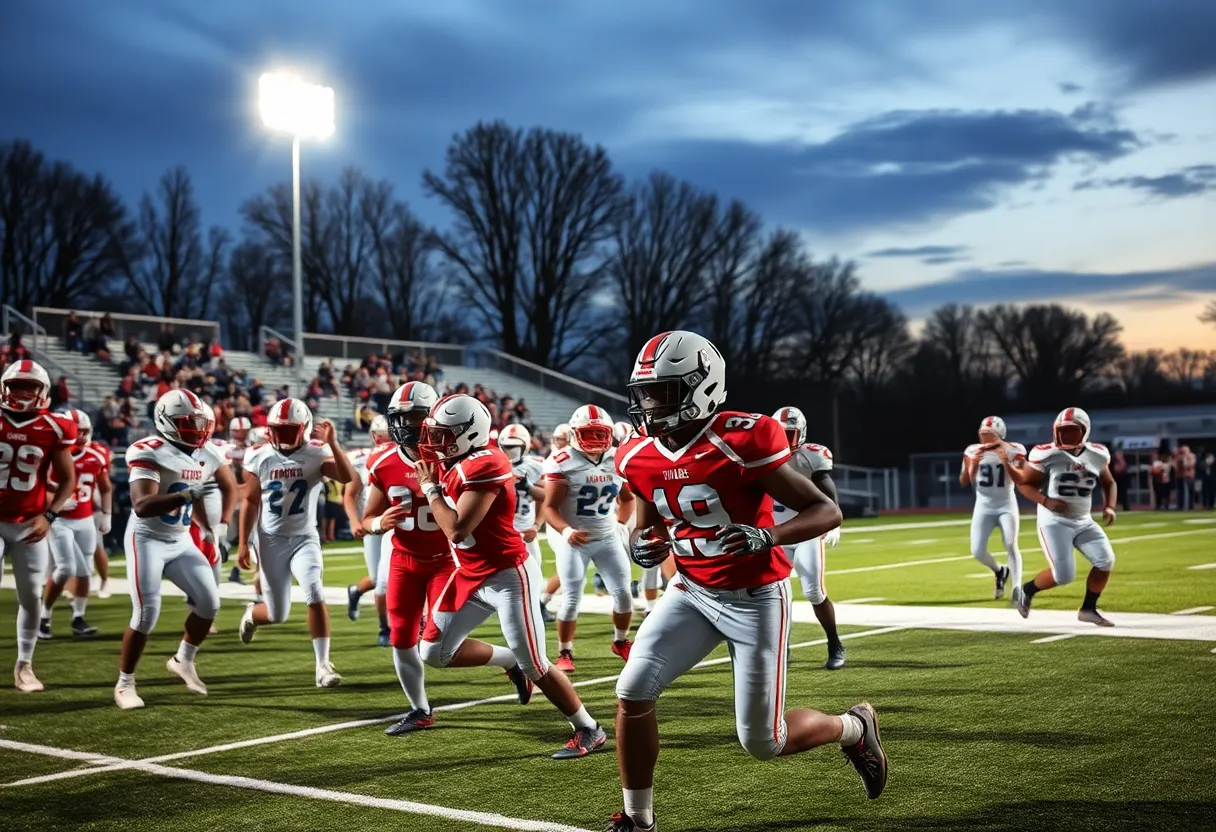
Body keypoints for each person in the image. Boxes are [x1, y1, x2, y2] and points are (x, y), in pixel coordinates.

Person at [608, 331, 884, 831]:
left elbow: (826, 511)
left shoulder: (741, 439)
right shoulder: (637, 455)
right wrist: (642, 543)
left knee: (764, 741)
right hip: (691, 590)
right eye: (644, 392)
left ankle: (853, 727)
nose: (648, 405)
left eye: (663, 392)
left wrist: (767, 535)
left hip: (755, 599)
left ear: (702, 386)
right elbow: (648, 526)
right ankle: (637, 818)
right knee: (632, 690)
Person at [413, 394, 607, 758]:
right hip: (469, 572)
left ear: (469, 433)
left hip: (507, 575)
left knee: (536, 662)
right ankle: (509, 661)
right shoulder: (457, 457)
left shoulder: (485, 463)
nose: (435, 443)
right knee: (434, 652)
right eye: (434, 434)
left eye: (443, 435)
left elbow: (456, 529)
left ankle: (588, 728)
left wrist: (429, 490)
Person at [360, 383, 532, 734]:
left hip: (447, 559)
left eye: (416, 416)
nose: (407, 424)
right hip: (403, 558)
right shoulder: (381, 461)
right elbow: (366, 519)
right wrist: (378, 523)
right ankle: (419, 709)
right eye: (401, 417)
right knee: (401, 636)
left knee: (433, 638)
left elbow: (478, 509)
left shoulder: (451, 457)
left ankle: (511, 660)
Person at [116, 389, 227, 709]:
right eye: (186, 423)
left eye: (199, 423)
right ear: (165, 421)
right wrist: (186, 497)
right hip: (147, 539)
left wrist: (208, 531)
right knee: (146, 613)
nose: (196, 430)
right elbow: (141, 505)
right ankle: (125, 682)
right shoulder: (149, 450)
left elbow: (201, 495)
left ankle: (183, 659)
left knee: (209, 603)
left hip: (180, 539)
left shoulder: (206, 454)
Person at [237, 399, 355, 687]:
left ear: (304, 430)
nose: (282, 437)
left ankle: (322, 666)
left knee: (315, 592)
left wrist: (334, 443)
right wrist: (243, 543)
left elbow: (347, 476)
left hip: (305, 537)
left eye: (289, 431)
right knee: (277, 614)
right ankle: (252, 614)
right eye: (278, 430)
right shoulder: (258, 456)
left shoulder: (316, 453)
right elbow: (251, 501)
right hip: (271, 540)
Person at [0, 361, 79, 692]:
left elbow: (67, 479)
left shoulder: (55, 427)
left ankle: (24, 665)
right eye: (16, 385)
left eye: (29, 387)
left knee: (32, 596)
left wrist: (49, 515)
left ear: (43, 392)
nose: (22, 392)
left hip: (28, 522)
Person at [999, 407, 1118, 626]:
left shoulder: (1098, 454)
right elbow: (1025, 485)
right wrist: (1046, 501)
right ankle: (1027, 590)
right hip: (1054, 521)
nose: (1066, 436)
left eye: (1072, 431)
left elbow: (1109, 482)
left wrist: (1109, 506)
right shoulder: (1048, 453)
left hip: (1083, 519)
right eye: (1062, 431)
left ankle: (1088, 609)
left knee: (1106, 560)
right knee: (1064, 576)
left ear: (1085, 431)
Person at [542, 405, 636, 671]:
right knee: (572, 598)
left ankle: (620, 641)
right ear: (574, 434)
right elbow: (549, 508)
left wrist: (619, 523)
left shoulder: (617, 459)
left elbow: (627, 499)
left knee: (624, 595)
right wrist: (567, 531)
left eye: (600, 433)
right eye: (588, 433)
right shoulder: (562, 462)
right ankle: (565, 652)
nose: (595, 440)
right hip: (576, 541)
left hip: (607, 537)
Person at [771, 406, 848, 669]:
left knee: (813, 591)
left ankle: (834, 642)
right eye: (781, 434)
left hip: (805, 531)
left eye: (790, 434)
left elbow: (828, 492)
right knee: (774, 593)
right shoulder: (760, 455)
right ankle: (782, 646)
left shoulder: (811, 457)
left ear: (801, 434)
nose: (785, 441)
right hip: (776, 532)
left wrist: (834, 521)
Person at [40, 410, 111, 638]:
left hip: (85, 519)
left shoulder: (96, 455)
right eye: (77, 430)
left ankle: (78, 618)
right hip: (59, 519)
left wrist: (107, 514)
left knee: (84, 570)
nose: (81, 435)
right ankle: (44, 617)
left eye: (85, 431)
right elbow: (38, 485)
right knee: (65, 568)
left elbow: (106, 487)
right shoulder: (53, 453)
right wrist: (56, 501)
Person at [958, 415, 1025, 603]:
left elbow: (1022, 478)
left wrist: (1007, 462)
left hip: (1006, 504)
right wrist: (971, 465)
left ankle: (1017, 588)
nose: (985, 438)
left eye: (989, 434)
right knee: (977, 551)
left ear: (1000, 434)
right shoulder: (972, 451)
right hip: (983, 506)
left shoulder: (1014, 449)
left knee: (1011, 544)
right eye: (983, 434)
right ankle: (1000, 571)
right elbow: (963, 481)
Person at [344, 415, 394, 646]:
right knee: (377, 579)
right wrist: (355, 521)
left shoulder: (403, 455)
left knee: (389, 580)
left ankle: (392, 627)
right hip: (373, 524)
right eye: (384, 435)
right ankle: (383, 625)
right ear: (374, 436)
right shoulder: (362, 459)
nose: (388, 440)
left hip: (397, 523)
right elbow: (350, 493)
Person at [497, 423, 546, 566]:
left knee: (533, 579)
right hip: (500, 534)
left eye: (516, 446)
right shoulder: (494, 464)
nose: (512, 451)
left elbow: (545, 497)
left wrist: (536, 526)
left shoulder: (536, 465)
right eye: (508, 446)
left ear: (526, 446)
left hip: (526, 533)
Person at [1176, 445, 1197, 510]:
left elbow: (1190, 465)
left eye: (1184, 451)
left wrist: (1185, 460)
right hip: (1180, 476)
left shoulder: (1191, 456)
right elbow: (1176, 466)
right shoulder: (1179, 457)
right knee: (1180, 491)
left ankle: (1191, 505)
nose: (1183, 452)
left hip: (1189, 476)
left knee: (1190, 491)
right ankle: (1180, 506)